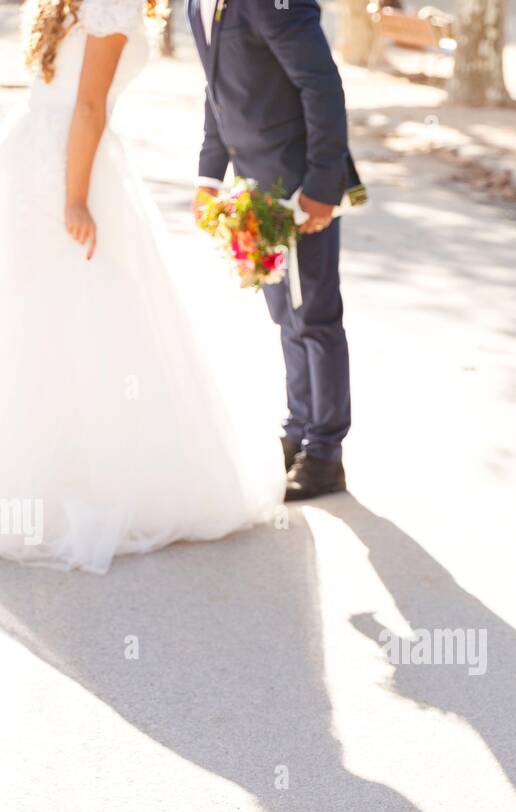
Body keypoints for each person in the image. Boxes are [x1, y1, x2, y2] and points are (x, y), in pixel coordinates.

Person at [0, 0, 283, 574]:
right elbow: (87, 106)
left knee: (37, 311)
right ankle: (70, 480)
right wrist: (76, 197)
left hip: (33, 149)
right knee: (85, 309)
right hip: (69, 164)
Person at [189, 0, 353, 502]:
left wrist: (323, 187)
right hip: (254, 190)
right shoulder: (198, 4)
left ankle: (325, 454)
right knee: (287, 316)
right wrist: (208, 175)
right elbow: (216, 90)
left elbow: (321, 85)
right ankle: (299, 426)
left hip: (300, 189)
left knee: (315, 318)